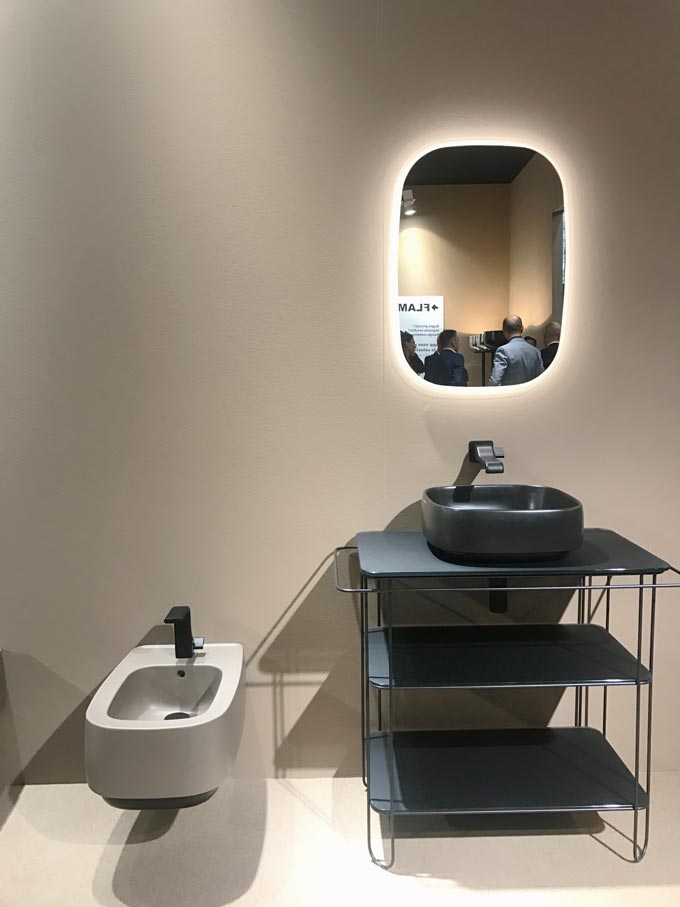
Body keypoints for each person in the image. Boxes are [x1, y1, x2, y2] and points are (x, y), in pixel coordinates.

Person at [488, 315, 544, 386]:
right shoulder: (535, 351)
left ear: (504, 331)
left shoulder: (503, 351)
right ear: (522, 329)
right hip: (531, 395)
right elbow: (541, 377)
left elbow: (494, 381)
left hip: (511, 395)